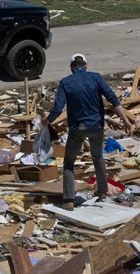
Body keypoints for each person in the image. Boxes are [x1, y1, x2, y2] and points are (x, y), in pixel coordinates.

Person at [43, 53, 133, 210]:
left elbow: (58, 108)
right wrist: (125, 120)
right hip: (96, 127)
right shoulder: (96, 77)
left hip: (78, 129)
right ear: (85, 66)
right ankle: (102, 192)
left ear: (71, 68)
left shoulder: (65, 82)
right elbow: (112, 98)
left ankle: (69, 200)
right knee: (98, 158)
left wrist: (46, 122)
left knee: (69, 162)